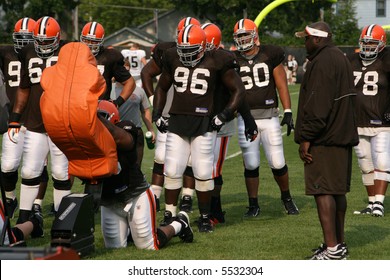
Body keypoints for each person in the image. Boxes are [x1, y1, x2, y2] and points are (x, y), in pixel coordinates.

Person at [152, 24, 246, 232]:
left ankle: (205, 216)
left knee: (203, 171)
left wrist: (224, 115)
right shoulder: (171, 57)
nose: (185, 55)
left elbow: (238, 91)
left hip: (204, 121)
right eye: (182, 50)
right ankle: (169, 213)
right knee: (173, 168)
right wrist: (157, 114)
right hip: (177, 120)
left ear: (203, 47)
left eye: (190, 50)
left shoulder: (218, 60)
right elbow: (162, 87)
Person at [294, 21, 358, 260]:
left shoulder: (321, 61)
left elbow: (318, 105)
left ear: (317, 39)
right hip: (340, 134)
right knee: (337, 191)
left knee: (323, 191)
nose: (305, 42)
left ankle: (332, 250)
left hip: (325, 137)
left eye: (307, 38)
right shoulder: (339, 56)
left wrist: (306, 137)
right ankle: (337, 244)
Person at [97, 100, 193, 249]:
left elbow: (120, 139)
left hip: (135, 193)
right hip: (109, 199)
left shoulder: (126, 129)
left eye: (101, 116)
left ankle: (179, 224)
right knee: (114, 249)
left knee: (148, 245)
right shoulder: (89, 138)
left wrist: (95, 118)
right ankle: (130, 231)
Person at [231, 18, 299, 217]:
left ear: (255, 35)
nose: (243, 40)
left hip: (269, 116)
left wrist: (287, 110)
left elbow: (281, 84)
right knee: (251, 163)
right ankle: (253, 204)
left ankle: (287, 198)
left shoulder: (270, 54)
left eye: (246, 35)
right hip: (246, 117)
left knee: (277, 162)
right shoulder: (232, 58)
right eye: (240, 36)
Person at [8, 16, 72, 224]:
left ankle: (62, 221)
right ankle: (25, 220)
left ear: (57, 37)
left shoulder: (68, 51)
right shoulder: (28, 51)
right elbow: (24, 88)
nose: (42, 45)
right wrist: (16, 118)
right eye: (39, 40)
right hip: (35, 122)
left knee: (61, 172)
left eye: (47, 41)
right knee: (29, 170)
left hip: (61, 121)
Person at [141, 17, 200, 213]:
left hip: (194, 114)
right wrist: (152, 99)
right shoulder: (168, 53)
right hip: (168, 112)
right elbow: (146, 73)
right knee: (160, 157)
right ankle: (155, 196)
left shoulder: (208, 55)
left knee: (191, 160)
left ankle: (187, 197)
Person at [347, 24, 390, 217]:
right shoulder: (351, 60)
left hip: (381, 120)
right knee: (364, 162)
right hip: (357, 120)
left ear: (382, 44)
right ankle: (372, 203)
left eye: (372, 43)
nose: (368, 47)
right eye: (365, 43)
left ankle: (379, 203)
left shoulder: (387, 60)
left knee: (381, 157)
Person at [80, 21, 135, 106]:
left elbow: (130, 82)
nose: (89, 44)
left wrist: (117, 103)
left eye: (94, 41)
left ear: (101, 41)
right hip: (76, 105)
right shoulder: (74, 54)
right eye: (86, 40)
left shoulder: (109, 57)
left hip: (99, 107)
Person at [111, 62, 155, 166]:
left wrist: (151, 130)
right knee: (117, 167)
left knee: (136, 165)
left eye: (126, 71)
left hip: (136, 131)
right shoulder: (108, 89)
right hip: (115, 131)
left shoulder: (139, 90)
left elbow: (146, 111)